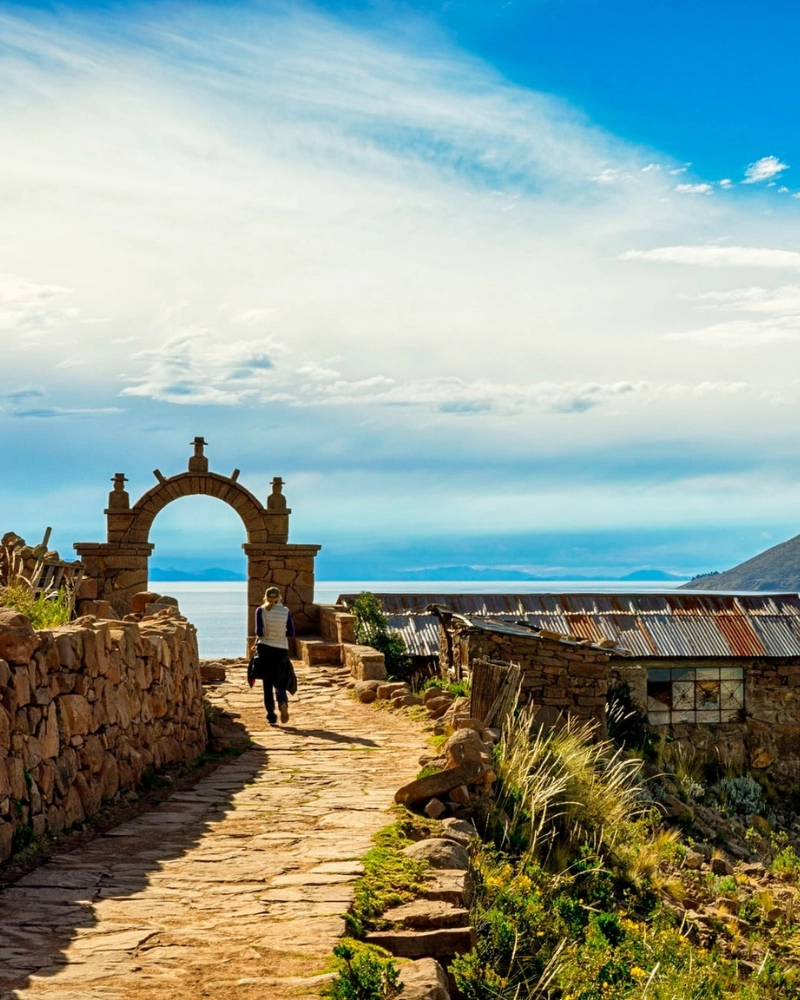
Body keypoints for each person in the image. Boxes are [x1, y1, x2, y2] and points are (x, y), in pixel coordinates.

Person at [254, 586, 295, 725]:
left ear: (266, 597)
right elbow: (291, 632)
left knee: (267, 683)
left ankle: (271, 715)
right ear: (279, 597)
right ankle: (283, 701)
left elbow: (259, 632)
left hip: (265, 649)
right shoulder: (286, 611)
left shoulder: (260, 611)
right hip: (281, 649)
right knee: (280, 679)